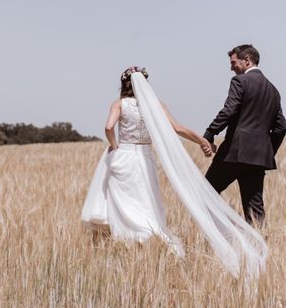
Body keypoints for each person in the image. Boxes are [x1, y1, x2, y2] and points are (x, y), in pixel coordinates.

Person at [82, 66, 268, 278]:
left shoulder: (119, 105)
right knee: (145, 201)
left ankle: (123, 248)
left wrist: (114, 146)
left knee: (121, 202)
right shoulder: (156, 106)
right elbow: (178, 129)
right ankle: (148, 239)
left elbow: (108, 127)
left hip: (123, 156)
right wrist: (201, 140)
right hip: (144, 159)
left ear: (123, 84)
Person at [204, 44, 286, 225]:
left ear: (247, 60)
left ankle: (224, 234)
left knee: (205, 192)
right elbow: (281, 128)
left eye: (234, 62)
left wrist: (209, 133)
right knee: (255, 208)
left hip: (235, 151)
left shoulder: (240, 81)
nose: (231, 67)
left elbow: (229, 110)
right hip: (258, 158)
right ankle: (260, 249)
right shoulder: (273, 90)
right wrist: (266, 150)